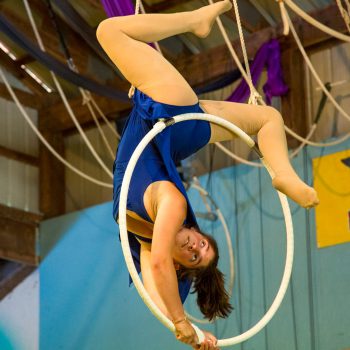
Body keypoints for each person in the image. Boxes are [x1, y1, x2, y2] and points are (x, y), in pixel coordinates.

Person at [96, 1, 319, 349]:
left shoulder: (145, 234)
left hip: (170, 126)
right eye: (202, 243)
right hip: (168, 114)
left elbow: (155, 286)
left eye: (195, 255)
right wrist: (182, 322)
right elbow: (158, 267)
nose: (195, 245)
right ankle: (284, 173)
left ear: (182, 267)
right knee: (109, 31)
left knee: (266, 120)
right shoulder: (170, 204)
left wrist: (193, 332)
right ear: (192, 229)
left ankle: (197, 21)